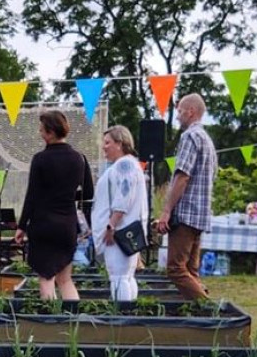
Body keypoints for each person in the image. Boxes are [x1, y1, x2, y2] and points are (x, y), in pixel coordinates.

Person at [16, 110, 93, 300]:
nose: (40, 133)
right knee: (65, 280)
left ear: (50, 132)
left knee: (46, 276)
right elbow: (89, 193)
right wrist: (67, 195)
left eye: (42, 130)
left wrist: (21, 225)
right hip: (67, 225)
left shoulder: (40, 159)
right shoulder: (79, 158)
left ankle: (51, 321)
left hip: (43, 224)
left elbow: (31, 196)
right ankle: (74, 321)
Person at [156, 93, 218, 300]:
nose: (178, 116)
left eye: (180, 111)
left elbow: (182, 176)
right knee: (191, 272)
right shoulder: (207, 140)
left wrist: (166, 211)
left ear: (191, 111)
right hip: (201, 214)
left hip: (187, 213)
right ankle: (196, 316)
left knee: (175, 269)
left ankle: (210, 312)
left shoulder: (190, 136)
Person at [91, 125, 149, 301]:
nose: (104, 147)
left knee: (119, 276)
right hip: (123, 229)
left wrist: (111, 225)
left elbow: (123, 197)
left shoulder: (124, 165)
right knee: (126, 275)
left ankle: (121, 315)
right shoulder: (128, 164)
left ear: (120, 143)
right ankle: (128, 309)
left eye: (107, 143)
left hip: (120, 231)